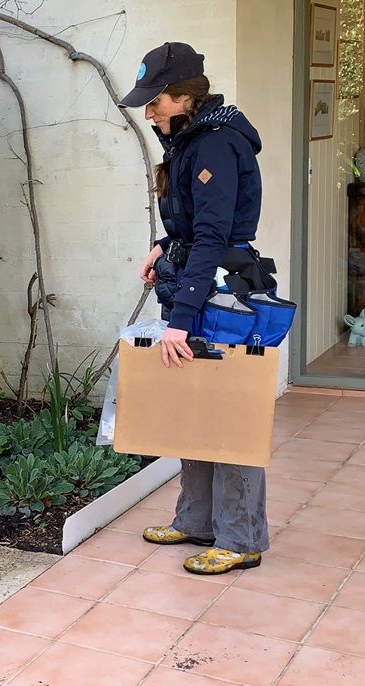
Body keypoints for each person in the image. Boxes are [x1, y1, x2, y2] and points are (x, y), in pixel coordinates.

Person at [118, 42, 269, 575]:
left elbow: (213, 236)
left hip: (224, 294)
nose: (148, 110)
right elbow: (191, 224)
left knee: (231, 416)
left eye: (154, 101)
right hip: (196, 284)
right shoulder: (186, 141)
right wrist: (163, 245)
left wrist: (179, 321)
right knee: (196, 409)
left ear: (183, 96)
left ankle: (241, 538)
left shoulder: (216, 144)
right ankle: (197, 521)